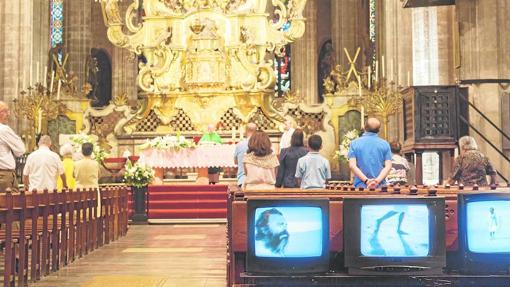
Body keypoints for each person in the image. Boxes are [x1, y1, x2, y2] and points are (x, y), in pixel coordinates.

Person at [348, 118, 392, 188]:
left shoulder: (354, 143)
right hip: (380, 186)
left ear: (364, 127)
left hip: (360, 186)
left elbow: (352, 165)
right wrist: (376, 181)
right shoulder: (385, 144)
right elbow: (388, 166)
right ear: (378, 130)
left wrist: (367, 181)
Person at [0, 101, 25, 191]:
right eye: (5, 111)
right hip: (3, 176)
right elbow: (20, 150)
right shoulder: (4, 129)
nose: (9, 114)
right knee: (10, 204)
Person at [74, 142, 100, 216]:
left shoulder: (76, 163)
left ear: (82, 151)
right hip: (93, 190)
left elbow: (74, 175)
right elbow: (99, 175)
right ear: (92, 151)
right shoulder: (95, 163)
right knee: (93, 214)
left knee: (80, 215)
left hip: (80, 190)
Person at [234, 123, 257, 187]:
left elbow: (236, 162)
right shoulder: (262, 144)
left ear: (246, 131)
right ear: (256, 131)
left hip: (243, 180)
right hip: (258, 180)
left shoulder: (240, 145)